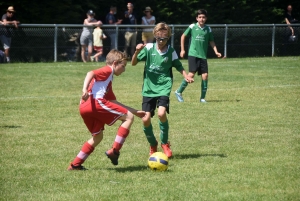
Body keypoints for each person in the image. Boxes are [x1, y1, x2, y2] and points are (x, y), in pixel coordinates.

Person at [68, 49, 146, 170]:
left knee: (97, 137)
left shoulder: (106, 81)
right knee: (128, 118)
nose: (124, 69)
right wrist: (84, 89)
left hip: (84, 107)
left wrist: (135, 112)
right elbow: (90, 73)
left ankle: (75, 165)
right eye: (123, 66)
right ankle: (115, 151)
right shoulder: (108, 70)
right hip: (95, 103)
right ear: (115, 63)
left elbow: (114, 102)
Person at [131, 22, 194, 158]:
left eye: (164, 39)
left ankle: (165, 143)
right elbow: (133, 63)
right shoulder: (148, 48)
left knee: (161, 113)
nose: (161, 41)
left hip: (164, 87)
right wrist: (136, 51)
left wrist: (186, 75)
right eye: (159, 38)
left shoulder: (171, 51)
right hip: (148, 88)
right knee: (145, 119)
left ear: (168, 38)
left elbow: (178, 65)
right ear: (155, 36)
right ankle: (153, 144)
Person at [174, 9, 222, 103]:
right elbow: (183, 36)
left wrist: (216, 51)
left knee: (205, 75)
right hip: (193, 54)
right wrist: (182, 49)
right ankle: (178, 91)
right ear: (197, 18)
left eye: (203, 17)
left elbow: (211, 41)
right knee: (191, 74)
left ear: (206, 18)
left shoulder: (208, 29)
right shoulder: (192, 27)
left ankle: (202, 98)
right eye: (200, 17)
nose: (202, 19)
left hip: (203, 56)